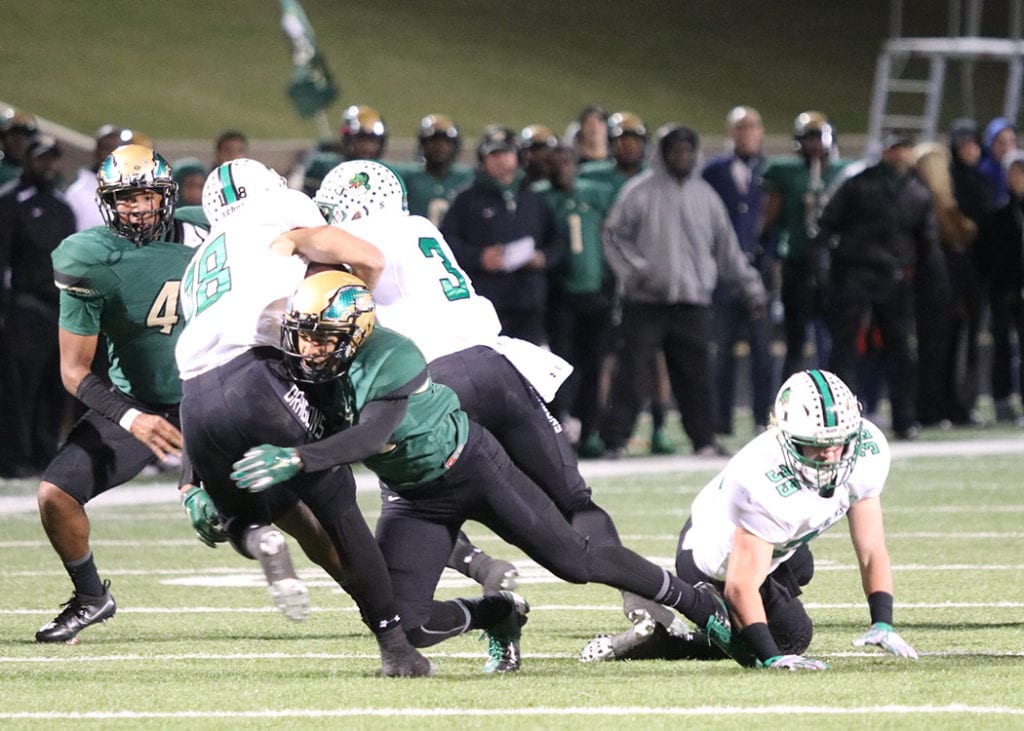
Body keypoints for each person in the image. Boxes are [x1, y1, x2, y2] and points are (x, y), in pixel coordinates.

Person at [231, 271, 738, 672]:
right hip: (414, 497)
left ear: (358, 334)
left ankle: (692, 600)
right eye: (305, 337)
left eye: (324, 339)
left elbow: (370, 436)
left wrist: (297, 458)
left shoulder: (393, 354)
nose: (309, 350)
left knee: (575, 562)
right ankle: (497, 614)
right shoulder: (303, 367)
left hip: (473, 466)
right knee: (402, 623)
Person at [315, 158, 680, 633]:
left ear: (354, 206)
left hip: (433, 385)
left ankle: (479, 575)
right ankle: (644, 604)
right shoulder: (420, 225)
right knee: (573, 500)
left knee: (415, 502)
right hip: (496, 368)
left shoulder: (367, 239)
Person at [175, 158, 431, 678]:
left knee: (242, 519)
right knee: (338, 507)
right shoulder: (279, 213)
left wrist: (189, 477)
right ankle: (396, 647)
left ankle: (264, 540)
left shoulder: (199, 262)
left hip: (195, 401)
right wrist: (354, 306)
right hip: (256, 378)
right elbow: (367, 258)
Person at [581, 369, 918, 671]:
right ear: (788, 438)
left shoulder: (867, 449)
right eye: (816, 446)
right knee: (790, 637)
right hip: (710, 554)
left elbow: (872, 548)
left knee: (802, 566)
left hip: (769, 544)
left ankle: (714, 619)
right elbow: (740, 586)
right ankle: (671, 620)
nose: (831, 456)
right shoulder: (762, 478)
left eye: (839, 444)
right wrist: (773, 658)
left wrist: (882, 622)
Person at [33, 144, 205, 643]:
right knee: (55, 496)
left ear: (166, 196)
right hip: (143, 403)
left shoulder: (212, 229)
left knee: (290, 500)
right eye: (122, 198)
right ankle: (91, 597)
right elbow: (74, 371)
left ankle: (380, 595)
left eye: (145, 195)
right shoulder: (88, 256)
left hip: (216, 392)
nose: (134, 208)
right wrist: (132, 418)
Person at [600, 125, 767, 458]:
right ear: (663, 154)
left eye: (687, 151)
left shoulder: (706, 197)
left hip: (692, 300)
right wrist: (634, 272)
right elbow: (613, 236)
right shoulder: (639, 192)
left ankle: (703, 439)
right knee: (631, 374)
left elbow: (727, 251)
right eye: (675, 151)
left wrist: (752, 287)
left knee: (697, 375)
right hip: (646, 300)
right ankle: (615, 441)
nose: (682, 157)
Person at [816, 130, 947, 441]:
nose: (899, 156)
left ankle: (904, 417)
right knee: (845, 349)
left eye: (903, 150)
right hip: (856, 273)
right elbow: (825, 224)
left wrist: (935, 284)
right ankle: (838, 419)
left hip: (894, 279)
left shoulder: (916, 191)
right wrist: (824, 271)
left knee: (902, 350)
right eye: (894, 150)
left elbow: (927, 243)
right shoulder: (857, 182)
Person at [441, 125, 563, 345]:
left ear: (517, 156)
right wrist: (479, 257)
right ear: (483, 159)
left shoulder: (534, 199)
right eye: (493, 154)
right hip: (486, 301)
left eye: (506, 153)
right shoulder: (466, 200)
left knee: (529, 369)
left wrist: (543, 258)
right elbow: (446, 244)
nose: (500, 160)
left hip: (528, 301)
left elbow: (557, 241)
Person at [0, 135, 77, 477]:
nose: (48, 165)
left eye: (52, 159)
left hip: (58, 309)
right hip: (25, 309)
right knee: (20, 388)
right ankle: (15, 457)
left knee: (53, 387)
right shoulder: (10, 202)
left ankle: (45, 454)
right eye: (41, 158)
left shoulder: (63, 207)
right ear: (28, 160)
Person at [534, 145, 616, 458]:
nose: (562, 169)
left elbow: (611, 230)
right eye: (555, 163)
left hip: (594, 290)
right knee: (561, 363)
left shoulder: (595, 193)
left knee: (593, 364)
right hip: (560, 292)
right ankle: (561, 426)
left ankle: (591, 429)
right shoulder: (541, 197)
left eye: (567, 162)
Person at [760, 111, 850, 380]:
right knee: (795, 339)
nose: (814, 144)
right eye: (809, 138)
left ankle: (836, 400)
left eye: (818, 137)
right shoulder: (784, 172)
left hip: (835, 265)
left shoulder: (844, 171)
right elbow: (769, 218)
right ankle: (789, 400)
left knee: (834, 338)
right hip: (797, 262)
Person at [702, 105, 775, 435]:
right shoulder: (714, 170)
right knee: (722, 351)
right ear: (732, 132)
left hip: (760, 268)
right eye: (741, 127)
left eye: (752, 126)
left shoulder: (773, 169)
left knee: (763, 351)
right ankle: (721, 421)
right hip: (723, 272)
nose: (747, 133)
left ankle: (764, 419)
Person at [981, 149, 1024, 426]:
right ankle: (1002, 400)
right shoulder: (999, 214)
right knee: (1002, 347)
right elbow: (992, 257)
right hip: (1005, 292)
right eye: (1015, 172)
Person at [401, 113, 474, 226]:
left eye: (446, 142)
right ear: (423, 144)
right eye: (434, 141)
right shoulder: (407, 178)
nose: (440, 147)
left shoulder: (468, 178)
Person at [0, 109, 39, 187]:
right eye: (15, 135)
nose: (21, 141)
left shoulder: (31, 172)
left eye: (27, 136)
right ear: (4, 136)